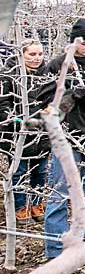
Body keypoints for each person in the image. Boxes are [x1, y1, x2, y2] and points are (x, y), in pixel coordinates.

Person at [33, 18, 85, 259]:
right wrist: (80, 92)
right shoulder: (58, 66)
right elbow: (47, 103)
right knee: (61, 190)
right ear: (74, 42)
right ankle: (56, 247)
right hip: (69, 136)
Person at [0, 40, 50, 223]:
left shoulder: (48, 75)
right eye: (32, 54)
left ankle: (37, 203)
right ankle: (19, 207)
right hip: (17, 133)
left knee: (41, 170)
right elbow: (3, 105)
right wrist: (19, 121)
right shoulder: (8, 76)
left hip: (43, 131)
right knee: (18, 171)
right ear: (21, 55)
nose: (37, 59)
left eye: (40, 54)